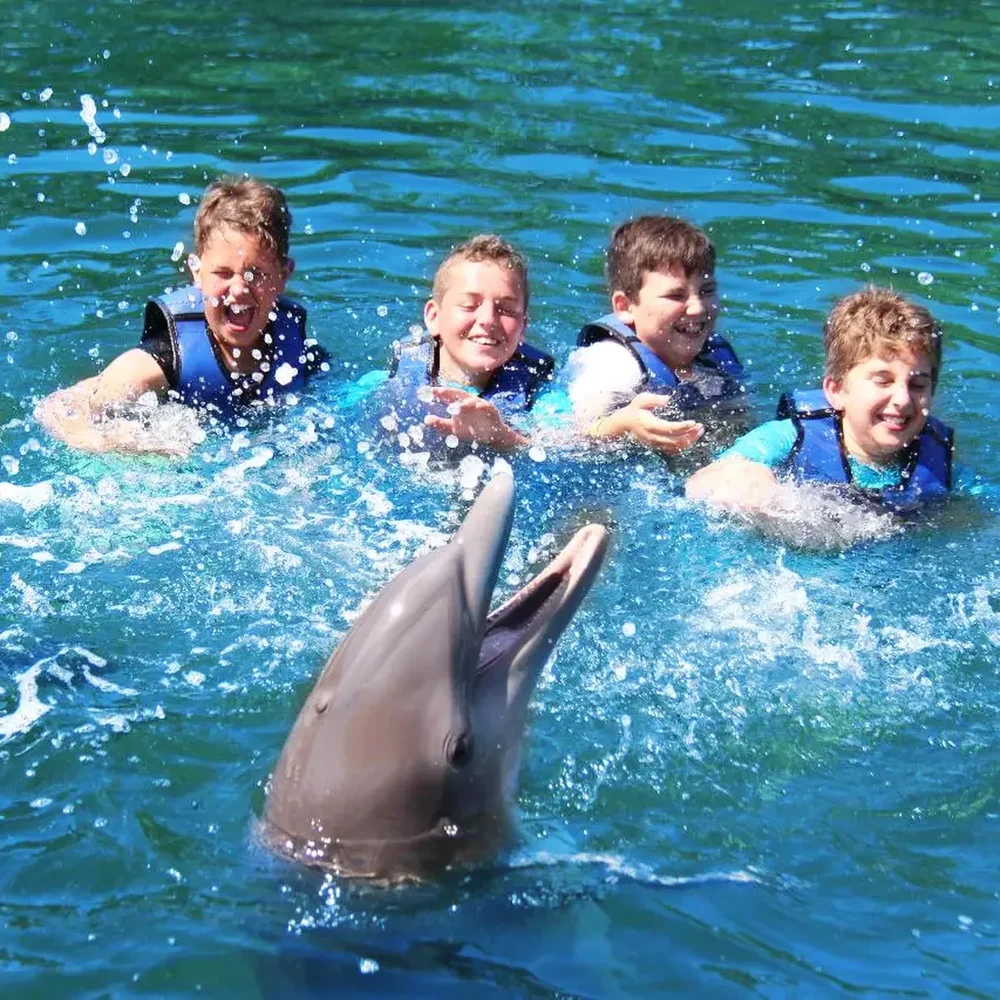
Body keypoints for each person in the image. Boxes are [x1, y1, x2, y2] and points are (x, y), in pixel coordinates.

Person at [36, 175, 326, 454]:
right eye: (223, 273)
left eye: (256, 274)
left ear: (284, 275)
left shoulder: (300, 354)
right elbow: (60, 409)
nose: (239, 289)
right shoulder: (165, 357)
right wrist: (124, 445)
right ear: (196, 272)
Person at [686, 286, 953, 515]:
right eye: (883, 381)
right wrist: (747, 477)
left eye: (918, 385)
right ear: (837, 390)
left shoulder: (936, 460)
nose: (903, 399)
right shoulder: (789, 439)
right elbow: (700, 483)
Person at [565, 215, 747, 457]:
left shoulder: (715, 355)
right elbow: (580, 433)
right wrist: (621, 425)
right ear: (625, 306)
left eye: (707, 291)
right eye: (675, 296)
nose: (698, 308)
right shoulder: (613, 363)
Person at [370, 234, 554, 451]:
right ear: (433, 317)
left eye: (505, 310)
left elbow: (572, 447)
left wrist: (500, 437)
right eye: (469, 305)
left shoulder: (544, 398)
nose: (488, 319)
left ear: (523, 326)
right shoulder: (389, 383)